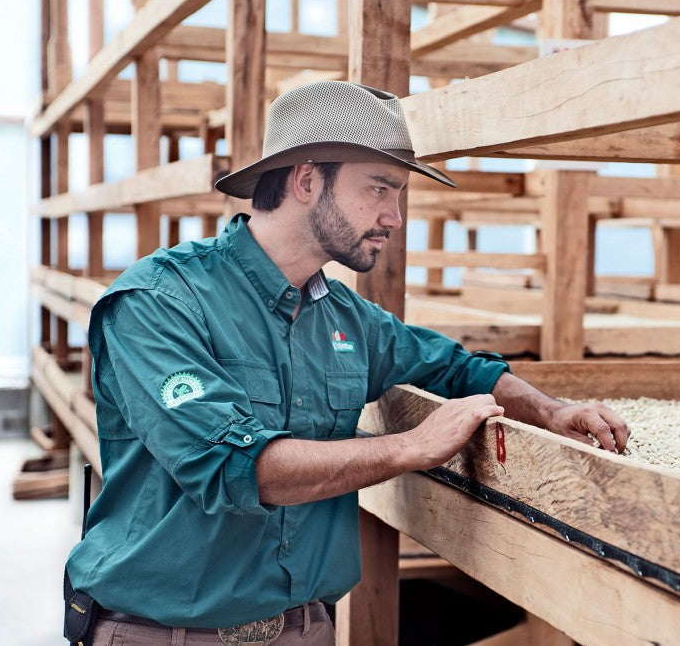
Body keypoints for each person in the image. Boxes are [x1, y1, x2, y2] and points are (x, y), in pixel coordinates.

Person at [63, 80, 629, 645]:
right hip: (163, 634)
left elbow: (458, 368)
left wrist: (550, 412)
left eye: (399, 194)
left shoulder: (346, 318)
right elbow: (231, 466)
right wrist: (411, 447)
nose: (395, 216)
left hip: (305, 629)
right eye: (380, 188)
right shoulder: (159, 303)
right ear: (306, 179)